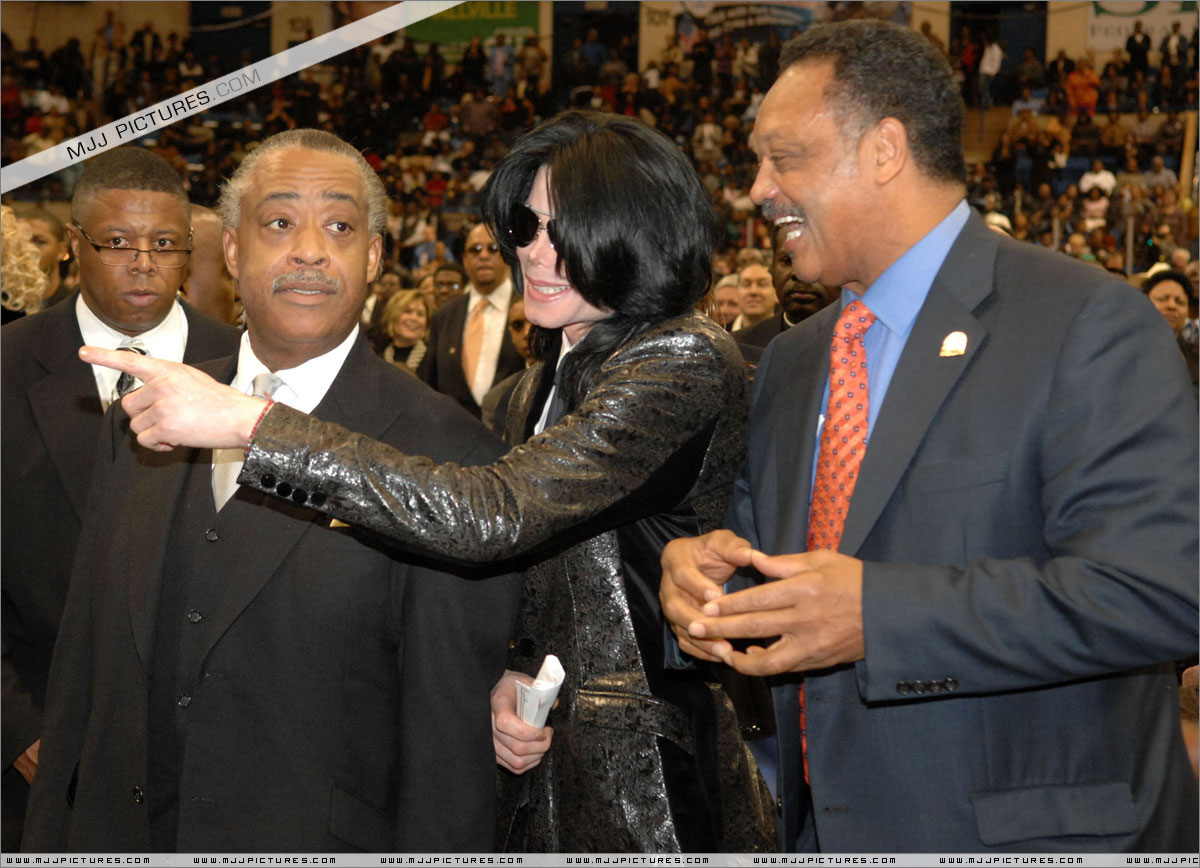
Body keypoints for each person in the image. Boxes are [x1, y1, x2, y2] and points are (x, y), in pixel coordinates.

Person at [81, 111, 775, 853]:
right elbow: (529, 575)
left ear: (634, 230)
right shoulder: (527, 390)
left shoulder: (681, 356)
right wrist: (517, 676)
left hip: (650, 792)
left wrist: (255, 425)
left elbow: (494, 515)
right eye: (525, 226)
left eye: (565, 230)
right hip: (539, 781)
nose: (533, 252)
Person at [658, 20, 1198, 853]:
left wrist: (880, 616)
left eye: (782, 158)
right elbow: (790, 577)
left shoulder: (1085, 323)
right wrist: (709, 584)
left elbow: (1159, 591)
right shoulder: (793, 361)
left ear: (884, 150)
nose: (756, 189)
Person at [22, 129, 521, 852]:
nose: (310, 250)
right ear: (231, 250)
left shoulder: (451, 458)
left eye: (340, 227)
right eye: (280, 222)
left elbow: (446, 755)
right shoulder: (140, 420)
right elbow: (82, 675)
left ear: (374, 255)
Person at [2, 147, 239, 853]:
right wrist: (18, 732)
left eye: (164, 244)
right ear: (72, 245)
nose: (143, 263)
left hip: (211, 765)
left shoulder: (248, 375)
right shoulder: (7, 367)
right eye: (117, 242)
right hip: (35, 763)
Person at [418, 222, 525, 417]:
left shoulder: (530, 312)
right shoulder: (444, 316)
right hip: (453, 430)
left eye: (493, 248)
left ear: (508, 256)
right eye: (475, 250)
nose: (483, 255)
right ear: (465, 260)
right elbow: (430, 385)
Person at [735, 223, 835, 354]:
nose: (800, 273)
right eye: (787, 260)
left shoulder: (861, 346)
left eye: (817, 260)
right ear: (772, 270)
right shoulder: (738, 347)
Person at [376, 288, 429, 372]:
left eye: (420, 314)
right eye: (407, 312)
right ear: (392, 316)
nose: (414, 318)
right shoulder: (378, 358)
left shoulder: (433, 360)